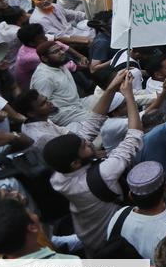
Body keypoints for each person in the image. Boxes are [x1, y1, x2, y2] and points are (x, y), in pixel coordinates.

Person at [41, 71, 141, 256]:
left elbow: (93, 122)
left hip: (86, 232)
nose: (89, 142)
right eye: (84, 146)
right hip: (108, 241)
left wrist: (111, 87)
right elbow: (134, 136)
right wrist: (129, 97)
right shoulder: (104, 173)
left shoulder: (59, 176)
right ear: (75, 163)